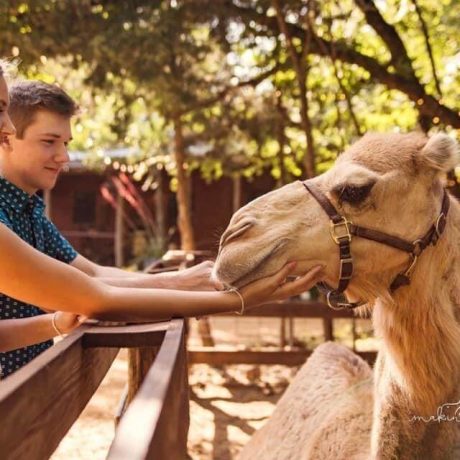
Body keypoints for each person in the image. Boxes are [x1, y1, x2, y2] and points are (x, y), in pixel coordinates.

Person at [0, 59, 323, 378]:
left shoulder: (30, 210)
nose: (65, 156)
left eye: (66, 143)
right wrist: (233, 299)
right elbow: (97, 296)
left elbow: (94, 276)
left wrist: (185, 282)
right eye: (49, 141)